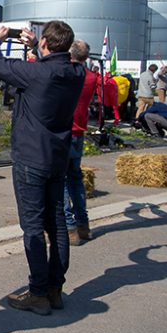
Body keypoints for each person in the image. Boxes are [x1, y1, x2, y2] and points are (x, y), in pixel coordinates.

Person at [0, 21, 85, 315]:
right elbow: (51, 67)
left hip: (31, 158)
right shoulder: (76, 72)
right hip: (57, 157)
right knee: (57, 226)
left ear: (44, 43)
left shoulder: (36, 73)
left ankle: (38, 292)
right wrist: (33, 49)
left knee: (32, 228)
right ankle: (54, 288)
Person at [63, 40, 99, 246]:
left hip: (65, 132)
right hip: (79, 131)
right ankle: (83, 225)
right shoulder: (91, 77)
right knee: (75, 180)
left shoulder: (68, 75)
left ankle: (69, 228)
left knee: (61, 183)